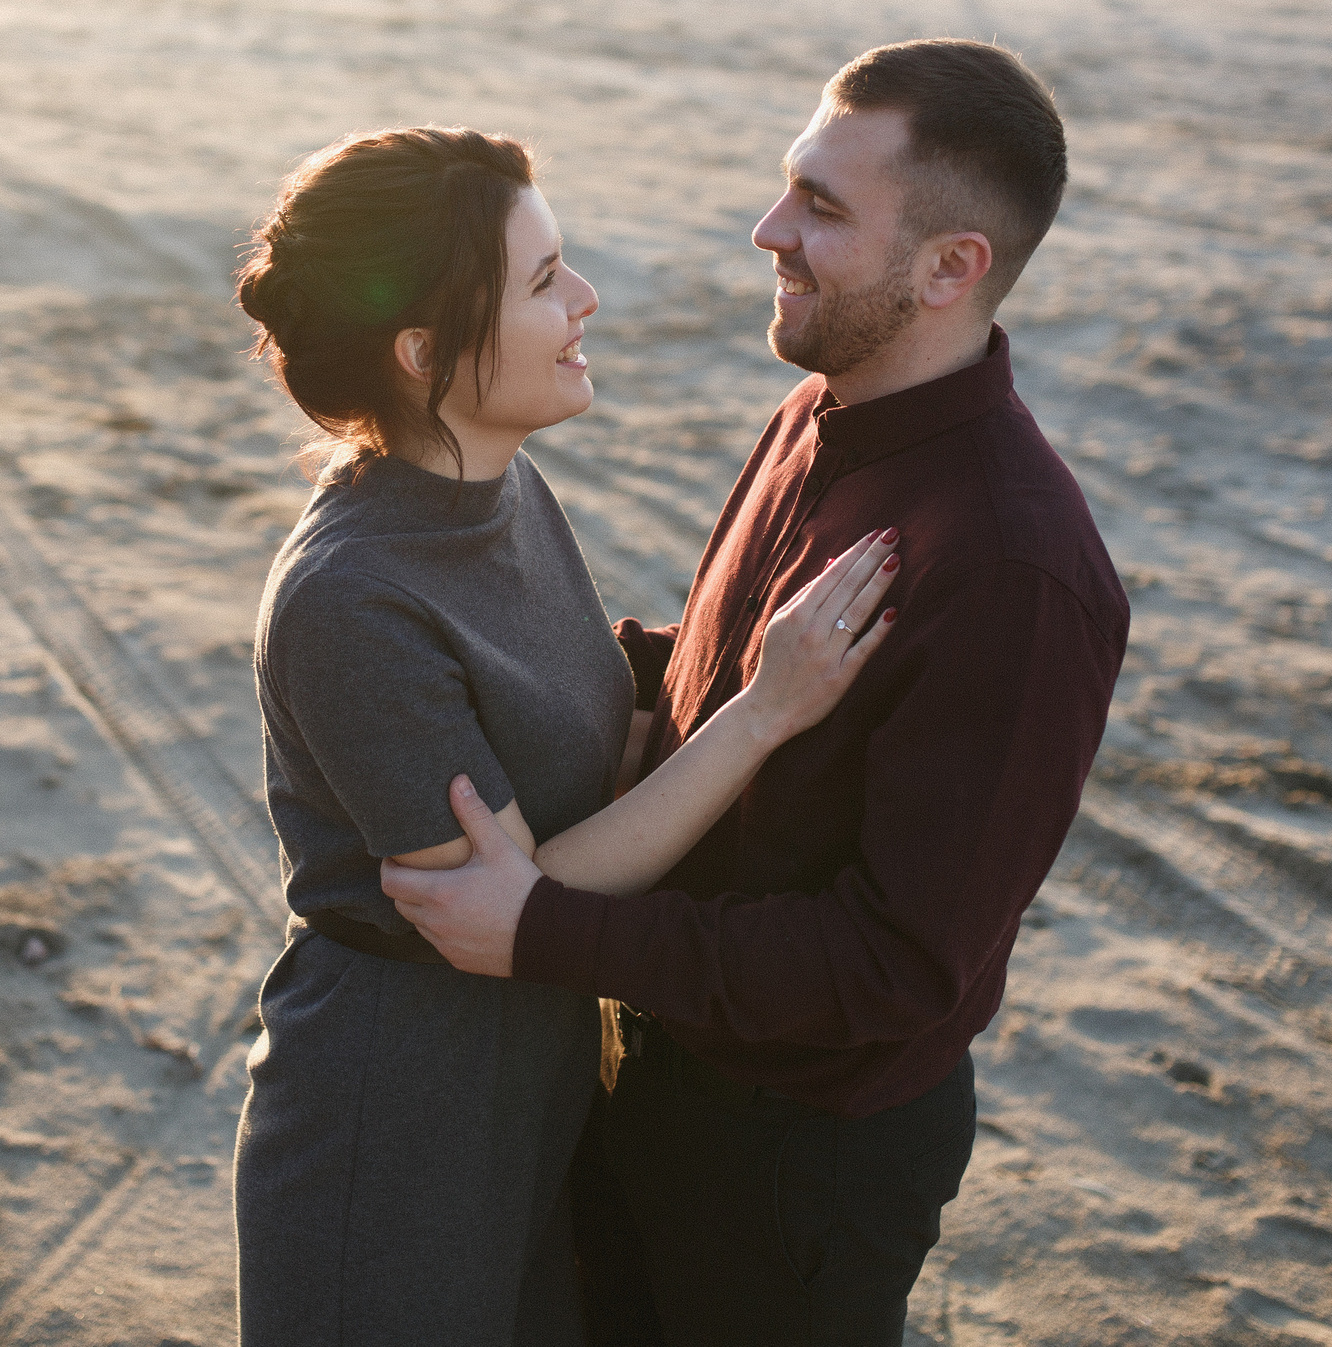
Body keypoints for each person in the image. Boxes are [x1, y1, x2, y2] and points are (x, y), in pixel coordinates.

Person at [386, 42, 1129, 1346]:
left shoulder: (1014, 568)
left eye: (824, 210)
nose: (767, 229)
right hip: (659, 1071)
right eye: (793, 187)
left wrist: (546, 929)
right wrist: (473, 646)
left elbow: (895, 966)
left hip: (800, 1160)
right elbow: (715, 667)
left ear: (953, 266)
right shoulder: (819, 408)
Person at [231, 126, 902, 1347]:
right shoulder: (352, 599)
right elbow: (502, 911)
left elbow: (593, 744)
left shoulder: (503, 487)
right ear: (422, 351)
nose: (585, 300)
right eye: (543, 282)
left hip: (531, 1091)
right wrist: (765, 713)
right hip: (396, 1116)